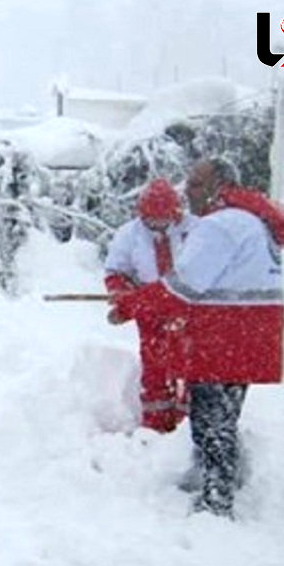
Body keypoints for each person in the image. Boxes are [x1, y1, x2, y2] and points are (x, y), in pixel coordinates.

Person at [114, 158, 284, 518]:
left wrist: (131, 305)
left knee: (211, 423)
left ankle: (216, 502)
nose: (188, 191)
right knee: (224, 418)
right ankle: (219, 483)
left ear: (219, 187)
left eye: (196, 184)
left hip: (223, 337)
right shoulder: (251, 221)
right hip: (249, 335)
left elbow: (183, 285)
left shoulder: (220, 226)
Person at [104, 178, 197, 432]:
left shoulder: (195, 230)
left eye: (163, 219)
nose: (157, 225)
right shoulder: (129, 235)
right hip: (150, 311)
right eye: (151, 220)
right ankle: (156, 424)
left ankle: (190, 422)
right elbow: (116, 271)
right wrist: (124, 296)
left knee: (191, 367)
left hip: (189, 310)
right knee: (155, 365)